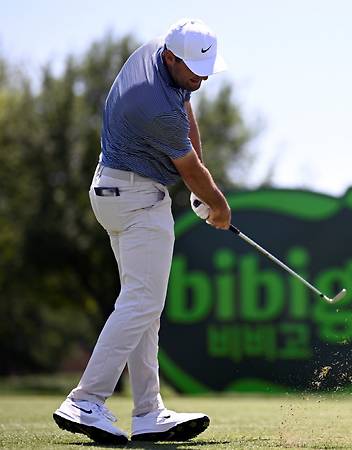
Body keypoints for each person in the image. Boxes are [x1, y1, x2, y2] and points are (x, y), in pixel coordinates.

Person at [52, 19, 231, 444]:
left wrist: (201, 186)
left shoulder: (159, 54)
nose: (201, 79)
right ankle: (86, 399)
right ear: (171, 58)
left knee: (142, 304)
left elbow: (185, 106)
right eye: (193, 71)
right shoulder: (152, 104)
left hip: (113, 190)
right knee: (143, 301)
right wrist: (218, 205)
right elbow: (188, 169)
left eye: (205, 71)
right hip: (137, 198)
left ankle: (148, 411)